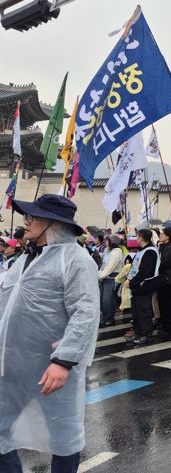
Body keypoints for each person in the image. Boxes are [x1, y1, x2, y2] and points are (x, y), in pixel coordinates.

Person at [0, 195, 99, 473]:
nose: (26, 221)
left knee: (63, 437)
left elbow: (86, 313)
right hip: (11, 366)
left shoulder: (76, 260)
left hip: (50, 368)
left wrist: (63, 360)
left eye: (33, 217)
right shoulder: (25, 258)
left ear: (54, 224)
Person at [126, 229, 161, 346]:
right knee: (136, 312)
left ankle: (147, 334)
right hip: (136, 286)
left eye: (137, 237)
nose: (136, 239)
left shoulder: (150, 251)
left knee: (144, 311)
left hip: (144, 286)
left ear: (141, 238)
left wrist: (131, 283)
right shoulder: (141, 250)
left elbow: (144, 272)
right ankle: (139, 332)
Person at [97, 235, 124, 327]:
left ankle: (109, 319)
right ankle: (104, 317)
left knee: (108, 300)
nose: (105, 242)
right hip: (104, 277)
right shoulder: (107, 250)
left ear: (112, 242)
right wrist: (99, 274)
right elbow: (103, 265)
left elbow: (110, 267)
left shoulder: (117, 251)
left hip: (112, 278)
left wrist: (99, 276)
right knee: (102, 299)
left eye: (107, 240)